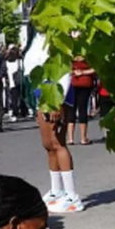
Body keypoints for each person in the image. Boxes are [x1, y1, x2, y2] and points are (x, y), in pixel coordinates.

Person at [36, 74, 85, 213]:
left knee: (58, 144)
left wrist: (57, 103)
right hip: (42, 97)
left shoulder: (55, 52)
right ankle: (56, 191)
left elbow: (64, 74)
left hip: (57, 97)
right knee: (48, 145)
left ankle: (72, 195)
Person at [67, 56, 96, 146]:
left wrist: (74, 72)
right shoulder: (88, 56)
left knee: (71, 109)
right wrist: (83, 72)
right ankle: (83, 138)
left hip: (73, 83)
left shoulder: (70, 55)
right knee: (82, 109)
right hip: (85, 83)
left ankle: (70, 138)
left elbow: (66, 69)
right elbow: (95, 69)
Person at [5, 46, 24, 121]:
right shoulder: (19, 61)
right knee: (20, 97)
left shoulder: (6, 63)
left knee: (13, 98)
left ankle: (14, 112)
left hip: (10, 82)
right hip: (18, 81)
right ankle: (21, 111)